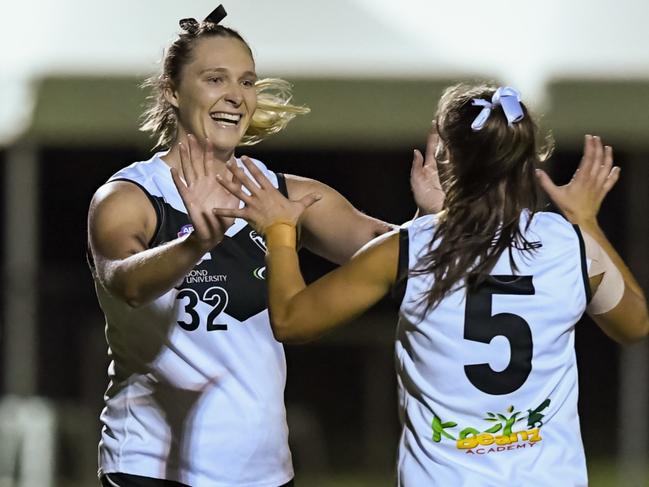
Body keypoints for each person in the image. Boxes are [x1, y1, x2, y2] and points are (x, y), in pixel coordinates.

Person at [213, 84, 649, 486]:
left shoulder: (407, 248)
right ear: (526, 158)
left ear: (446, 157)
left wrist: (281, 231)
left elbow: (292, 321)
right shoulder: (568, 244)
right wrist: (586, 221)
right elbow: (635, 326)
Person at [87, 5, 438, 487]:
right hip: (152, 466)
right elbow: (124, 281)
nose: (235, 96)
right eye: (215, 79)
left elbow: (396, 254)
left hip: (261, 473)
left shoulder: (283, 195)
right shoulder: (130, 196)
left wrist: (430, 218)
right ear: (172, 91)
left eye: (247, 82)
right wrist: (196, 242)